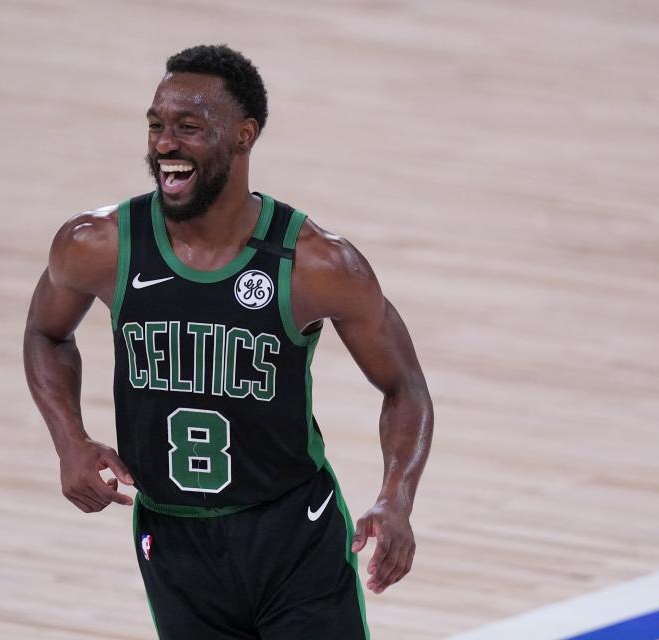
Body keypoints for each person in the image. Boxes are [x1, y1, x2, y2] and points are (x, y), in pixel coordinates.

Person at [24, 44, 433, 640]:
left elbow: (405, 386)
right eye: (156, 125)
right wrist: (69, 440)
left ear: (244, 136)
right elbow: (45, 332)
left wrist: (396, 497)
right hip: (173, 538)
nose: (165, 144)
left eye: (189, 128)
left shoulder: (316, 264)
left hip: (293, 532)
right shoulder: (97, 245)